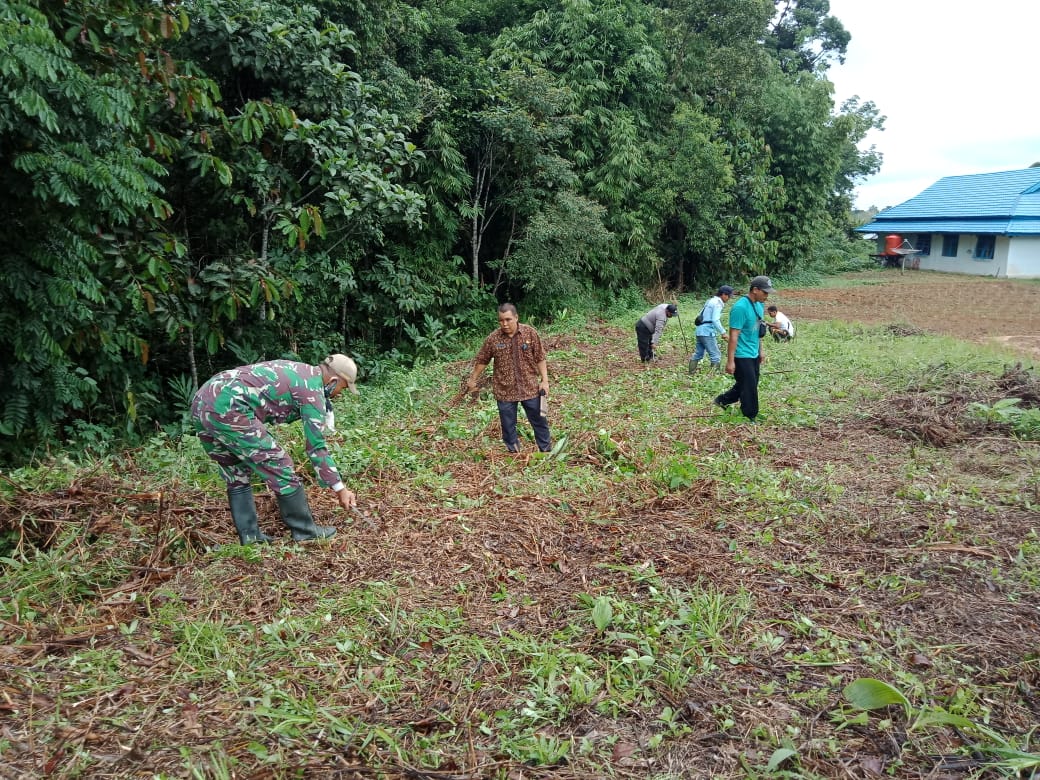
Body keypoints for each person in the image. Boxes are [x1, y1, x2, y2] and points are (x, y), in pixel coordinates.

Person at [192, 355, 359, 544]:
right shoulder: (312, 390)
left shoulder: (300, 371)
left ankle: (250, 537)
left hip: (202, 400)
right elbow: (316, 447)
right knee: (280, 463)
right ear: (333, 381)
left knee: (234, 468)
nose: (340, 393)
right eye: (342, 388)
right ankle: (305, 531)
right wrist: (340, 488)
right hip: (230, 407)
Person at [466, 303, 552, 453]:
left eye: (508, 319)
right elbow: (482, 360)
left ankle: (546, 451)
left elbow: (540, 357)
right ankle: (514, 453)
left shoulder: (530, 333)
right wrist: (472, 379)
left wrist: (544, 381)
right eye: (501, 320)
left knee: (539, 421)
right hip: (505, 390)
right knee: (508, 426)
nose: (504, 324)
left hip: (529, 387)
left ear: (516, 317)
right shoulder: (493, 338)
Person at [715, 276, 774, 421]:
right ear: (755, 290)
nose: (767, 296)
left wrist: (761, 350)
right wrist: (730, 361)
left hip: (753, 352)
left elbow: (758, 330)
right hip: (741, 354)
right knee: (750, 386)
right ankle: (750, 416)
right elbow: (733, 336)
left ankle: (722, 400)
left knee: (748, 382)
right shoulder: (740, 308)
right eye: (765, 293)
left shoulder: (759, 305)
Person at [689, 285, 733, 373]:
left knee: (698, 353)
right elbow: (715, 319)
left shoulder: (710, 301)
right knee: (716, 355)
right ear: (724, 294)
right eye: (729, 296)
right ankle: (714, 377)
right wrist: (723, 332)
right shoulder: (718, 303)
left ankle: (691, 372)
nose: (729, 299)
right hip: (707, 332)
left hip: (700, 330)